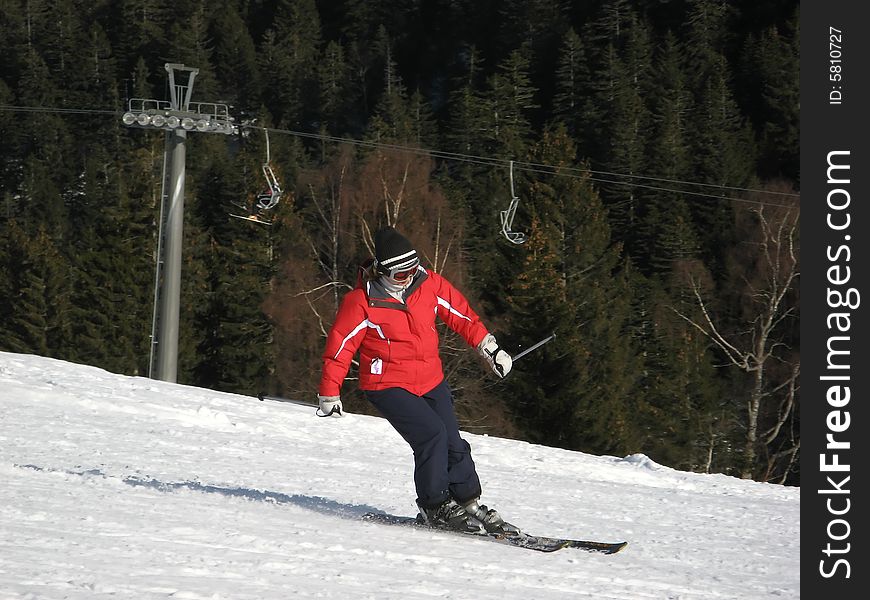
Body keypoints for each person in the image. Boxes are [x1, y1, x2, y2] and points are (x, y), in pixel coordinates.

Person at [317, 226, 515, 534]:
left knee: (452, 441)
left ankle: (468, 503)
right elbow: (340, 346)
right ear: (382, 272)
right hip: (387, 384)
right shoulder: (362, 302)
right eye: (400, 274)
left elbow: (462, 316)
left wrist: (490, 349)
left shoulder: (429, 284)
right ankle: (434, 505)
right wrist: (329, 393)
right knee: (431, 434)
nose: (409, 277)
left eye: (413, 269)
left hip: (430, 378)